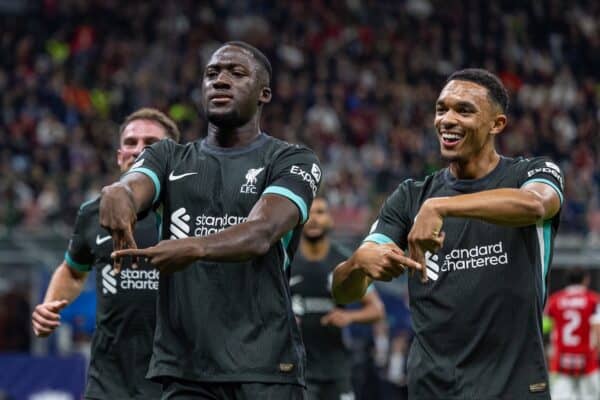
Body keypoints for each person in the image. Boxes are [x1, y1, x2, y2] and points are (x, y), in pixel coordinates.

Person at [100, 42, 321, 399]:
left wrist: (194, 247)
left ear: (264, 93)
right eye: (212, 73)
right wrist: (118, 194)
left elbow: (261, 233)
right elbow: (134, 186)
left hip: (266, 367)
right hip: (186, 369)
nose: (220, 80)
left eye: (236, 73)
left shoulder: (292, 160)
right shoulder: (167, 157)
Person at [332, 68, 564, 399]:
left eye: (464, 110)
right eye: (442, 109)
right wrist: (358, 263)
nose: (447, 119)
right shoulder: (409, 197)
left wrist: (441, 208)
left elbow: (536, 205)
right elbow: (344, 293)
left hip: (513, 385)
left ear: (497, 124)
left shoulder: (530, 173)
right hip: (433, 388)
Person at [31, 108, 181, 399]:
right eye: (131, 142)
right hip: (109, 381)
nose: (139, 150)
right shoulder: (93, 213)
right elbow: (73, 270)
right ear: (118, 155)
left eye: (151, 144)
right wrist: (49, 305)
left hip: (176, 382)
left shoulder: (191, 215)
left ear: (172, 156)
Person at [290, 195, 385, 400]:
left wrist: (349, 317)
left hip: (338, 368)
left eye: (320, 212)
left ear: (330, 219)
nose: (314, 219)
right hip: (297, 370)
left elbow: (377, 310)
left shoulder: (344, 262)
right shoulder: (287, 263)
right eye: (309, 213)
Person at [545, 267, 600, 400]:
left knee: (560, 396)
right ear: (585, 280)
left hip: (561, 360)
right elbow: (597, 327)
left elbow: (545, 326)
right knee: (590, 396)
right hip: (587, 360)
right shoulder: (593, 300)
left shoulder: (554, 300)